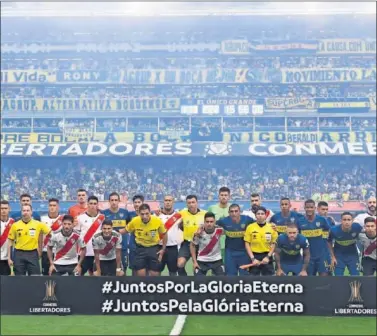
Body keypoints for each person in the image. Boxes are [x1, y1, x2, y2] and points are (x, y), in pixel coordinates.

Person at [7, 204, 50, 275]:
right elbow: (10, 241)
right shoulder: (15, 225)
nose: (25, 212)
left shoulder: (38, 224)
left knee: (35, 278)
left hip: (33, 253)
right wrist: (9, 257)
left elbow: (50, 234)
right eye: (24, 210)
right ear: (21, 212)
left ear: (31, 212)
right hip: (19, 254)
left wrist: (40, 249)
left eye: (28, 210)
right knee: (19, 278)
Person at [125, 204, 167, 276]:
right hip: (140, 248)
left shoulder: (157, 220)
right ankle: (142, 287)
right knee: (141, 275)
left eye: (147, 213)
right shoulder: (135, 220)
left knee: (155, 274)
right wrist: (112, 231)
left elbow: (165, 233)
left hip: (154, 249)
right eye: (142, 214)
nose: (145, 216)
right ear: (138, 213)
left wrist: (163, 249)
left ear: (150, 212)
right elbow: (125, 230)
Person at [297, 199, 331, 276]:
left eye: (311, 207)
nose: (309, 209)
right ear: (304, 208)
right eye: (307, 207)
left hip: (322, 254)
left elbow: (328, 233)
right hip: (308, 256)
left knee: (324, 277)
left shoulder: (322, 220)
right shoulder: (300, 221)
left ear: (315, 208)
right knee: (310, 279)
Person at [217, 204, 253, 275]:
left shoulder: (247, 219)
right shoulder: (224, 221)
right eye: (232, 211)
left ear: (240, 212)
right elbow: (210, 224)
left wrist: (272, 225)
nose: (234, 214)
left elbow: (259, 224)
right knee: (230, 275)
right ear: (229, 213)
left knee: (245, 276)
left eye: (236, 211)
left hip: (244, 252)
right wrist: (201, 228)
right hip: (230, 252)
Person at [177, 195, 206, 276]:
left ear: (197, 203)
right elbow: (172, 219)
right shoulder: (182, 213)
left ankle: (196, 284)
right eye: (189, 203)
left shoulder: (204, 214)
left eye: (193, 202)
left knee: (197, 268)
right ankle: (185, 280)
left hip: (200, 244)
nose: (191, 204)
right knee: (180, 264)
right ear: (186, 204)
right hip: (187, 243)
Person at [244, 206, 278, 276]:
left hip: (267, 255)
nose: (260, 215)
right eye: (258, 214)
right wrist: (253, 258)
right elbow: (247, 243)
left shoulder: (272, 227)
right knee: (253, 279)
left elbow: (274, 243)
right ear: (255, 215)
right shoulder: (250, 227)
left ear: (265, 215)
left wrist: (268, 257)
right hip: (254, 256)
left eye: (262, 214)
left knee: (269, 279)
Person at [76, 195, 105, 276]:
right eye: (91, 203)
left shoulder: (102, 218)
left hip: (98, 254)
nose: (93, 205)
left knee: (97, 277)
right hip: (83, 254)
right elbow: (76, 235)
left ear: (97, 205)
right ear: (87, 204)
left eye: (95, 203)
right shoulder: (80, 218)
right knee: (78, 275)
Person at [102, 192, 129, 273]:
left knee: (123, 270)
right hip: (108, 248)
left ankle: (122, 286)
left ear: (119, 201)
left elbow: (130, 226)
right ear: (109, 201)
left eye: (116, 200)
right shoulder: (103, 213)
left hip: (122, 247)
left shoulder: (125, 213)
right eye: (112, 200)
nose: (114, 202)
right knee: (109, 271)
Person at [191, 212, 225, 276]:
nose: (209, 224)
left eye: (211, 222)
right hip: (202, 260)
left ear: (214, 222)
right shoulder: (198, 233)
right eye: (207, 222)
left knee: (222, 280)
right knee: (197, 282)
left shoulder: (220, 230)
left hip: (217, 260)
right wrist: (195, 262)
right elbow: (192, 246)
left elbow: (229, 232)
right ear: (204, 222)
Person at [158, 195, 182, 276]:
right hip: (159, 247)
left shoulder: (179, 216)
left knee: (173, 272)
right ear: (163, 202)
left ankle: (172, 288)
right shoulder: (157, 216)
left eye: (170, 200)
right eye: (166, 200)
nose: (168, 202)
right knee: (156, 271)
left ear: (173, 202)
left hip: (173, 248)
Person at [40, 198, 63, 276]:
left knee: (57, 275)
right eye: (50, 205)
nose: (52, 207)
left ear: (58, 207)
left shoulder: (63, 220)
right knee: (45, 275)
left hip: (59, 252)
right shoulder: (42, 219)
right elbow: (40, 236)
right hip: (45, 251)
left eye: (54, 205)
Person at [316, 200, 336, 275]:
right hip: (314, 251)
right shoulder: (313, 220)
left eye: (326, 209)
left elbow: (334, 234)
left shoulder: (330, 220)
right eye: (323, 209)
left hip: (327, 252)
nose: (325, 211)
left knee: (327, 274)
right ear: (318, 209)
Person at [127, 194, 144, 275]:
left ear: (142, 203)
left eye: (139, 202)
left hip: (145, 247)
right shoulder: (129, 215)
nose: (137, 204)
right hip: (133, 247)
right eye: (135, 202)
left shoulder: (149, 215)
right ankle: (134, 286)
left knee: (145, 270)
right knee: (134, 270)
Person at [1, 200, 14, 275]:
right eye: (1, 208)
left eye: (5, 208)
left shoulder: (13, 223)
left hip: (7, 259)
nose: (3, 210)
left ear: (9, 209)